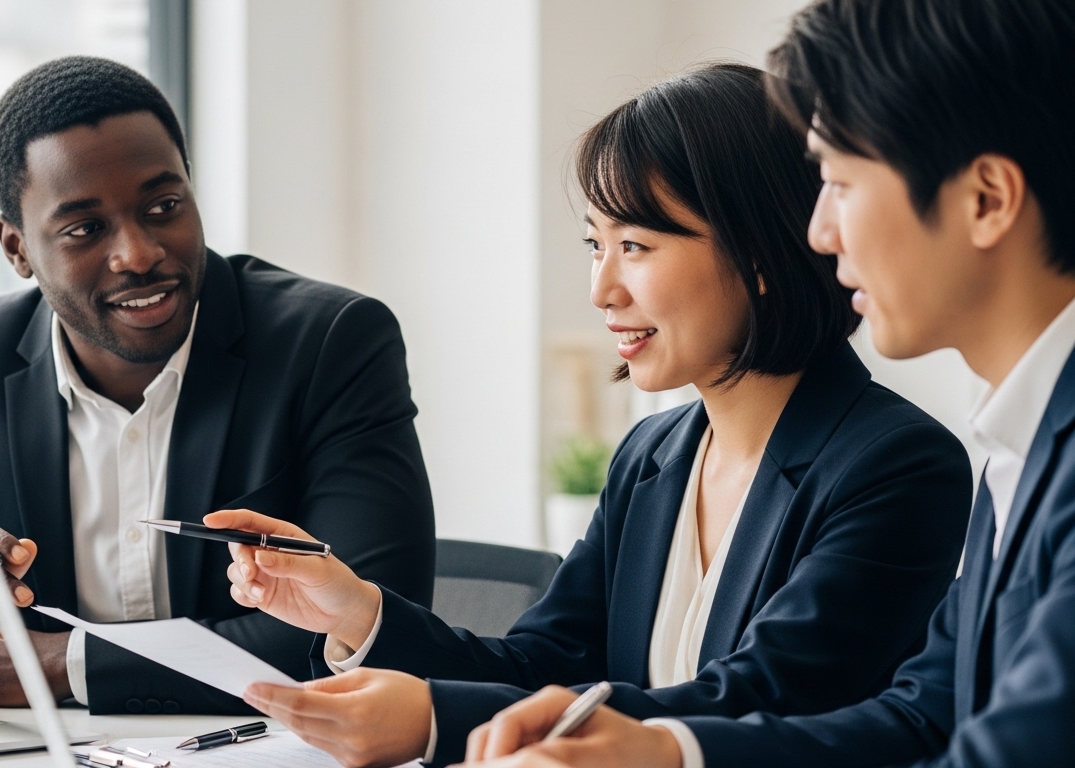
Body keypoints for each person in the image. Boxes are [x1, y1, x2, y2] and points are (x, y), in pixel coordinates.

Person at [212, 63, 973, 767]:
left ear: (762, 257)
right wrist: (358, 610)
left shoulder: (895, 463)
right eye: (594, 245)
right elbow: (540, 665)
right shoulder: (653, 455)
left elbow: (758, 699)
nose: (601, 289)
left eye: (635, 245)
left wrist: (440, 719)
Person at [457, 1, 1075, 766]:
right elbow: (921, 719)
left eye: (842, 183)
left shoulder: (924, 456)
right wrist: (667, 753)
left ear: (986, 199)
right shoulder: (1018, 446)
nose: (817, 232)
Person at [0, 56, 436, 716]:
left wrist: (60, 665)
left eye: (163, 206)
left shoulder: (329, 344)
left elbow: (379, 620)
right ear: (16, 247)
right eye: (84, 229)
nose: (137, 253)